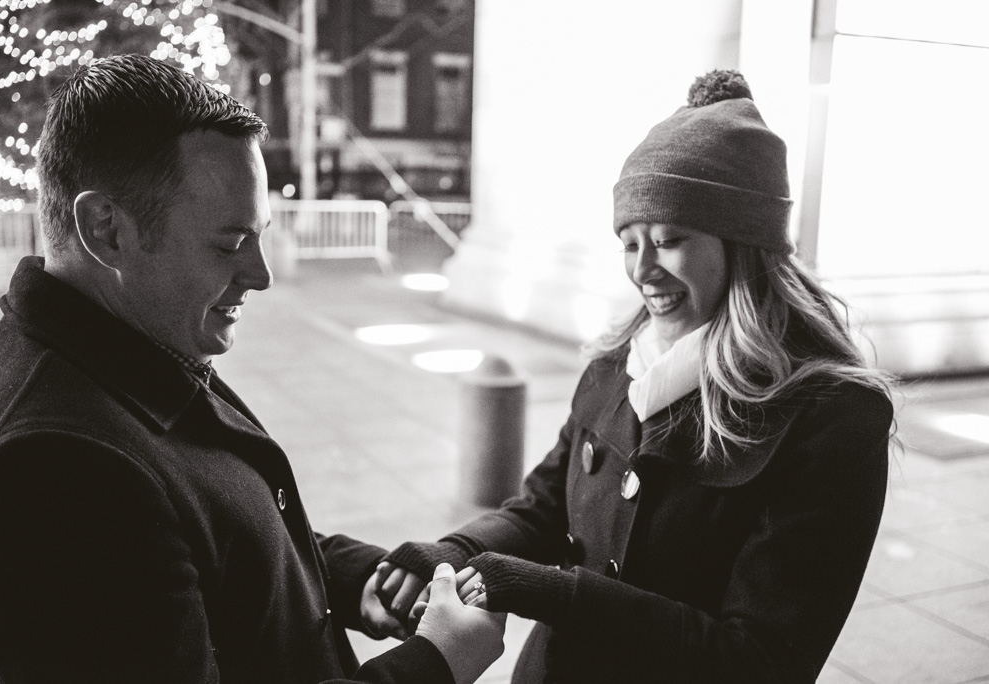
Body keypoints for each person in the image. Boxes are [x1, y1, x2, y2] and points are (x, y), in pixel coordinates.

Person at [0, 54, 504, 684]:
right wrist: (435, 664)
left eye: (261, 235)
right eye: (229, 243)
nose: (261, 274)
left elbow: (213, 535)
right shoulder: (55, 472)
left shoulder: (126, 342)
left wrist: (357, 578)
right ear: (106, 230)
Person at [362, 70, 896, 683]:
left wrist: (559, 594)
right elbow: (542, 509)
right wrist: (457, 551)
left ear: (744, 243)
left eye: (668, 240)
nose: (643, 271)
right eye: (629, 242)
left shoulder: (831, 416)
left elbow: (761, 661)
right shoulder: (616, 361)